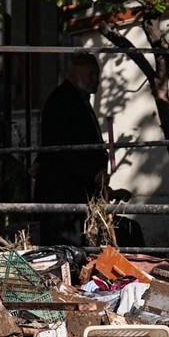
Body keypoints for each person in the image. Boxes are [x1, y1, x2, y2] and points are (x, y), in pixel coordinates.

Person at [32, 51, 108, 246]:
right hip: (64, 189)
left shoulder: (75, 100)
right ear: (74, 75)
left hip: (73, 188)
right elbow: (62, 146)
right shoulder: (64, 101)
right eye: (90, 74)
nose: (95, 79)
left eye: (96, 74)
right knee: (66, 245)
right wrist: (92, 173)